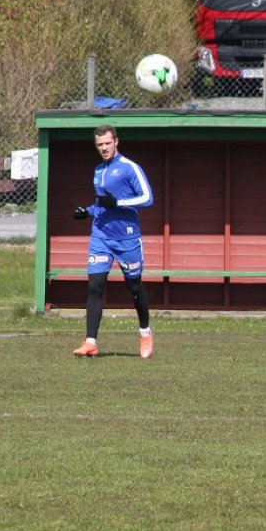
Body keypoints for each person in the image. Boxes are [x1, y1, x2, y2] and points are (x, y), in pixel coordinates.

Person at [72, 124, 155, 359]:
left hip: (127, 238)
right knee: (95, 286)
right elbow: (102, 205)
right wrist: (87, 212)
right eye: (100, 145)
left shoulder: (129, 167)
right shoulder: (99, 170)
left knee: (134, 286)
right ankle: (90, 342)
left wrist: (118, 203)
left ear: (116, 142)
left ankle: (145, 332)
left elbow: (147, 198)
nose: (104, 148)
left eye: (108, 143)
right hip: (101, 236)